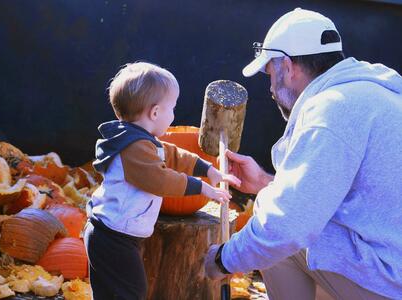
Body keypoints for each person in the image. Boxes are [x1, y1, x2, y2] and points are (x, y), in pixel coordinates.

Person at [204, 8, 402, 300]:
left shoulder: (330, 110)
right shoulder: (373, 95)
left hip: (389, 281)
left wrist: (223, 259)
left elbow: (287, 227)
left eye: (270, 74)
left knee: (273, 230)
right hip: (390, 263)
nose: (271, 88)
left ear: (288, 66)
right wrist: (264, 182)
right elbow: (347, 199)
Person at [84, 62, 240, 299]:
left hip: (117, 235)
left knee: (118, 293)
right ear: (155, 113)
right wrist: (202, 188)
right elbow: (160, 180)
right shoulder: (133, 148)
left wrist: (208, 169)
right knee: (131, 292)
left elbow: (173, 154)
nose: (173, 114)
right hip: (112, 238)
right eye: (172, 108)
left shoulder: (141, 141)